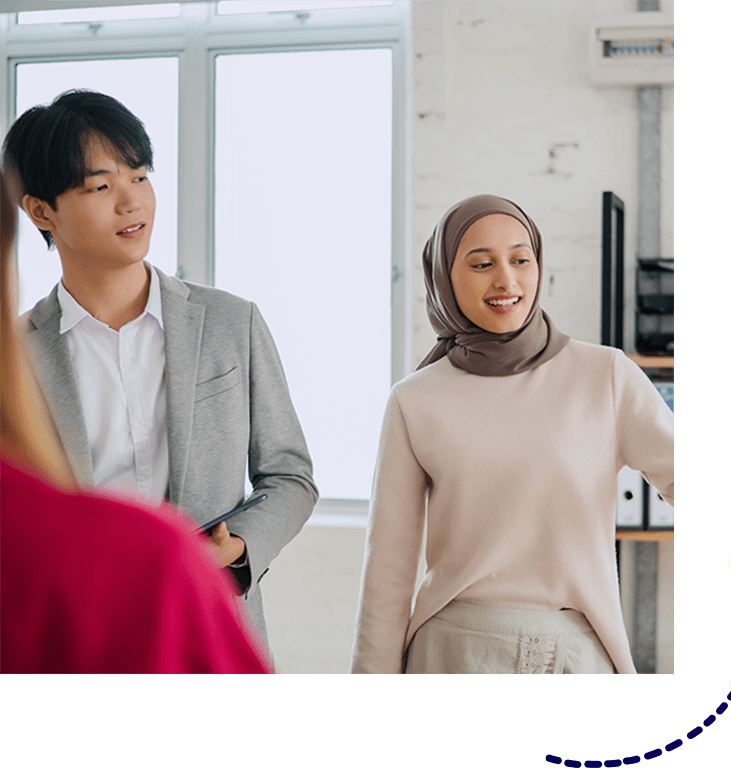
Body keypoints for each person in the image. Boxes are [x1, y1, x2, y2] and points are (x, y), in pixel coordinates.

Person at [2, 89, 318, 649]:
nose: (132, 203)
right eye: (101, 187)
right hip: (77, 639)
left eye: (140, 177)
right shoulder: (17, 355)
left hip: (209, 626)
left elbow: (289, 474)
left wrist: (239, 547)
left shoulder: (230, 322)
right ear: (40, 211)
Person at [351, 194, 673, 674]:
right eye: (481, 264)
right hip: (450, 656)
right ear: (444, 279)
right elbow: (388, 569)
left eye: (521, 259)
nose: (506, 279)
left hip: (576, 655)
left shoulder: (604, 374)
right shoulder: (414, 399)